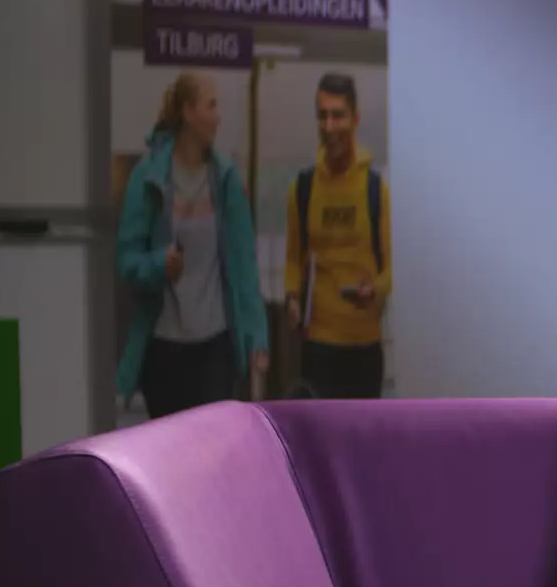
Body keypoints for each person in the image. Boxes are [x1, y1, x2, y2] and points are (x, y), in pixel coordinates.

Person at [116, 71, 269, 417]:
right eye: (211, 106)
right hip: (163, 347)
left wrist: (257, 336)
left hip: (216, 344)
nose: (219, 117)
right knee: (170, 447)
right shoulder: (149, 177)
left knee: (212, 444)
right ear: (188, 112)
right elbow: (126, 261)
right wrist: (159, 264)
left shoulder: (225, 179)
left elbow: (244, 266)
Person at [284, 72, 392, 398]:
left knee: (364, 432)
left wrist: (375, 290)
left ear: (355, 119)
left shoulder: (375, 189)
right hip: (319, 345)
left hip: (365, 345)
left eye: (338, 115)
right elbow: (294, 258)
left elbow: (391, 267)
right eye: (322, 116)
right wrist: (292, 297)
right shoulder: (303, 188)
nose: (329, 126)